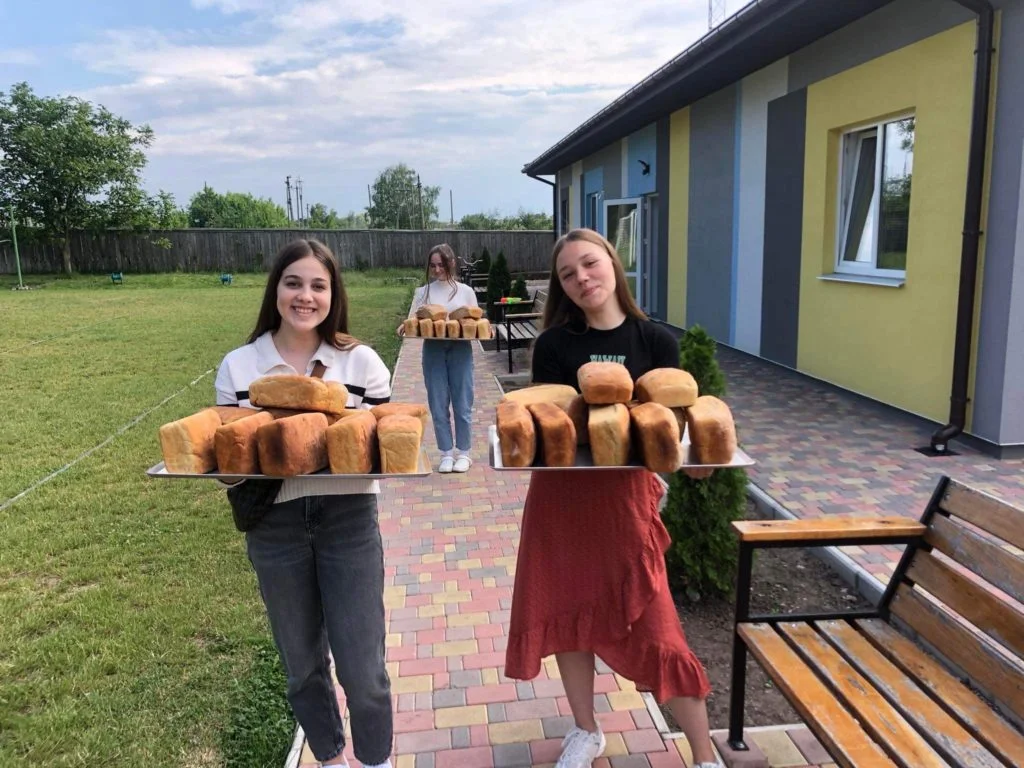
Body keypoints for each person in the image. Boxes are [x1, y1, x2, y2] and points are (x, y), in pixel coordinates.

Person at [504, 228, 723, 768]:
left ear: (613, 264)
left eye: (589, 264)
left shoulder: (656, 343)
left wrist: (700, 462)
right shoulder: (554, 346)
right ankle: (586, 731)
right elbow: (546, 434)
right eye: (567, 274)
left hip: (625, 505)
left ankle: (703, 754)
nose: (582, 278)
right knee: (566, 614)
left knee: (657, 623)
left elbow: (675, 435)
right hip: (559, 503)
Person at [214, 239, 394, 768]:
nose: (305, 296)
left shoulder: (360, 362)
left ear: (333, 293)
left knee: (363, 668)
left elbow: (388, 449)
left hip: (348, 521)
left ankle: (376, 759)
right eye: (293, 282)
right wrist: (225, 468)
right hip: (276, 525)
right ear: (276, 289)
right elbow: (228, 471)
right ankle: (329, 755)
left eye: (318, 285)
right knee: (302, 665)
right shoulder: (240, 366)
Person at [396, 243, 479, 473]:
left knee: (462, 402)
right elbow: (414, 318)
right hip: (432, 349)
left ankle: (464, 453)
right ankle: (445, 453)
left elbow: (475, 320)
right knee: (438, 402)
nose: (437, 270)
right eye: (433, 266)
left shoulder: (465, 291)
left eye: (441, 265)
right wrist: (404, 325)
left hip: (460, 349)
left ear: (451, 263)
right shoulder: (424, 292)